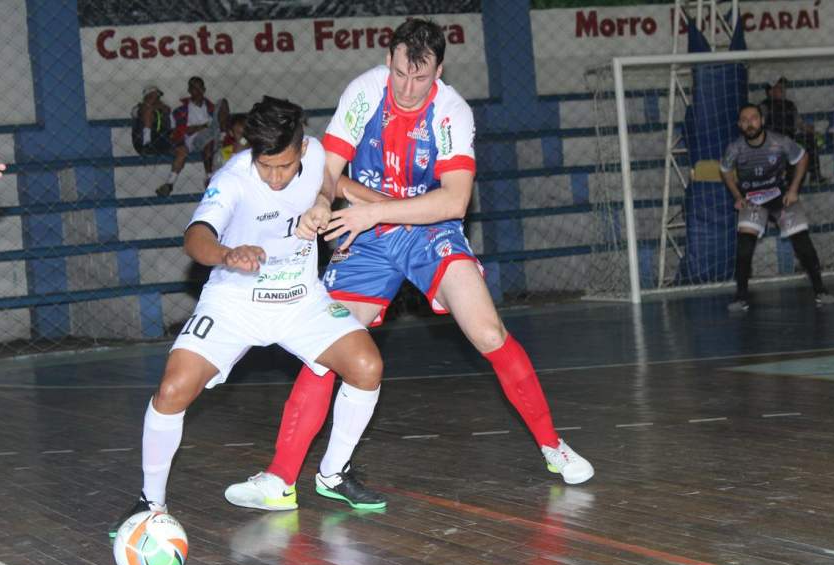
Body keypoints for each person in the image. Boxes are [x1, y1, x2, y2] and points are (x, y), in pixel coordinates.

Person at [224, 18, 594, 512]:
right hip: (368, 234)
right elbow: (328, 171)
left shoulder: (452, 113)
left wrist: (371, 208)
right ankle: (281, 479)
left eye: (420, 78)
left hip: (428, 231)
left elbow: (455, 202)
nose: (407, 88)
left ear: (438, 71)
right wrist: (319, 201)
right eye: (400, 73)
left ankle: (553, 447)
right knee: (323, 350)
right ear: (388, 62)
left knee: (488, 333)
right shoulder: (363, 94)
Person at [110, 96, 385, 537]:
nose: (275, 178)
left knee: (367, 366)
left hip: (300, 298)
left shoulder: (316, 155)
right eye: (266, 166)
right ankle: (150, 502)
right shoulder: (233, 177)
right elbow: (195, 238)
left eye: (284, 166)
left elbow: (335, 184)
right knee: (173, 388)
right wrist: (226, 253)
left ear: (300, 147)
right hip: (235, 300)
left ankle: (333, 473)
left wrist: (361, 209)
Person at [720, 104, 834, 312]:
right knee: (744, 247)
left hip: (780, 197)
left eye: (753, 118)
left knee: (802, 241)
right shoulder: (734, 148)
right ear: (739, 125)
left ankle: (820, 290)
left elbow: (803, 158)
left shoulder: (779, 141)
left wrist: (793, 189)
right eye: (744, 120)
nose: (750, 123)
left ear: (761, 120)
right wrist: (737, 196)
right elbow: (725, 170)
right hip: (752, 200)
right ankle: (741, 297)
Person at [156, 76, 230, 196]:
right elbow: (180, 131)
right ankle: (208, 177)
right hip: (194, 140)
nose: (198, 90)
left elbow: (219, 122)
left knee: (223, 102)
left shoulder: (210, 107)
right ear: (189, 90)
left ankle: (222, 138)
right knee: (207, 137)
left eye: (200, 87)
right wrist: (201, 127)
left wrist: (211, 128)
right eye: (194, 88)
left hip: (213, 134)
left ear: (204, 89)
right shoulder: (181, 110)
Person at [759, 77, 826, 185]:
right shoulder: (764, 106)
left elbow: (799, 123)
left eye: (784, 88)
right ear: (770, 91)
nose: (783, 91)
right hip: (773, 142)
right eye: (780, 88)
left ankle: (815, 176)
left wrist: (812, 131)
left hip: (790, 139)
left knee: (809, 139)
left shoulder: (790, 105)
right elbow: (759, 126)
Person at [131, 85, 172, 156]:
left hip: (161, 140)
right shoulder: (138, 108)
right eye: (154, 97)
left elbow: (167, 109)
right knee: (148, 112)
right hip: (141, 142)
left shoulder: (161, 108)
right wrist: (152, 106)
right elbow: (144, 110)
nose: (158, 99)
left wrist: (158, 106)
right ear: (147, 97)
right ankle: (147, 142)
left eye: (158, 97)